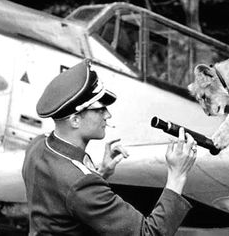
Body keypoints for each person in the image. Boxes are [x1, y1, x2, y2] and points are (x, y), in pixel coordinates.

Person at [22, 59, 197, 236]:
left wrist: (100, 173)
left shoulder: (36, 146)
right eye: (99, 110)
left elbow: (61, 198)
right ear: (75, 120)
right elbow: (149, 233)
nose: (108, 115)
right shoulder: (81, 184)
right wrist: (177, 174)